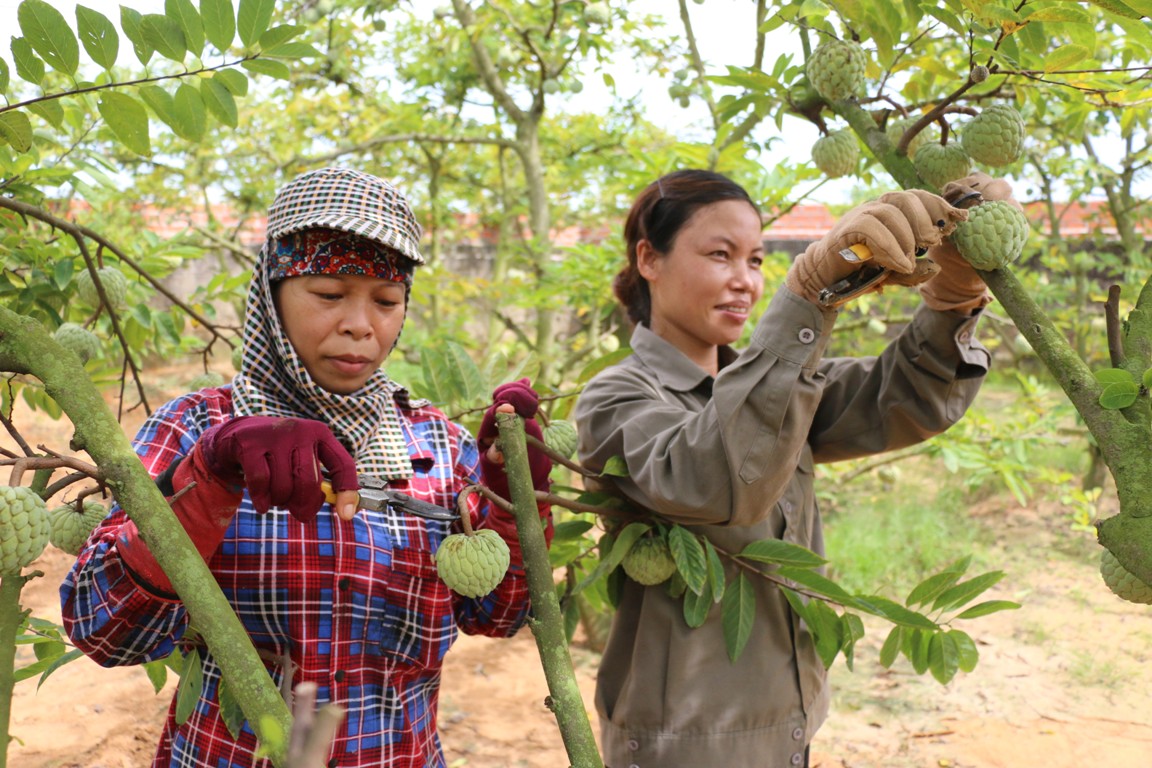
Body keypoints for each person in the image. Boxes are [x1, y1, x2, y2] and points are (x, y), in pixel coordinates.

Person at [60, 167, 553, 768]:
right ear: (272, 293)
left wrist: (512, 495)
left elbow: (498, 613)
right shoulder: (195, 429)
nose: (360, 324)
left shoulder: (438, 447)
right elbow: (101, 628)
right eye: (328, 294)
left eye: (386, 301)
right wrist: (210, 479)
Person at [573, 169, 1011, 767]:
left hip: (790, 732)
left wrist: (953, 295)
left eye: (755, 261)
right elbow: (717, 478)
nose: (743, 283)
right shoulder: (614, 400)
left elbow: (904, 398)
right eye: (719, 255)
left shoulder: (772, 384)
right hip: (680, 748)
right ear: (649, 258)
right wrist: (808, 295)